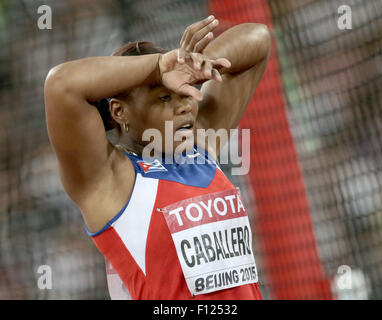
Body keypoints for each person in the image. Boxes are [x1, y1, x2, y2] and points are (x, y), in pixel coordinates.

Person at [44, 15, 271, 300]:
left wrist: (193, 62)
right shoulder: (109, 180)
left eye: (187, 91)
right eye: (164, 98)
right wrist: (158, 67)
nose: (184, 108)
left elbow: (258, 37)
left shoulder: (200, 144)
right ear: (119, 111)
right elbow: (61, 85)